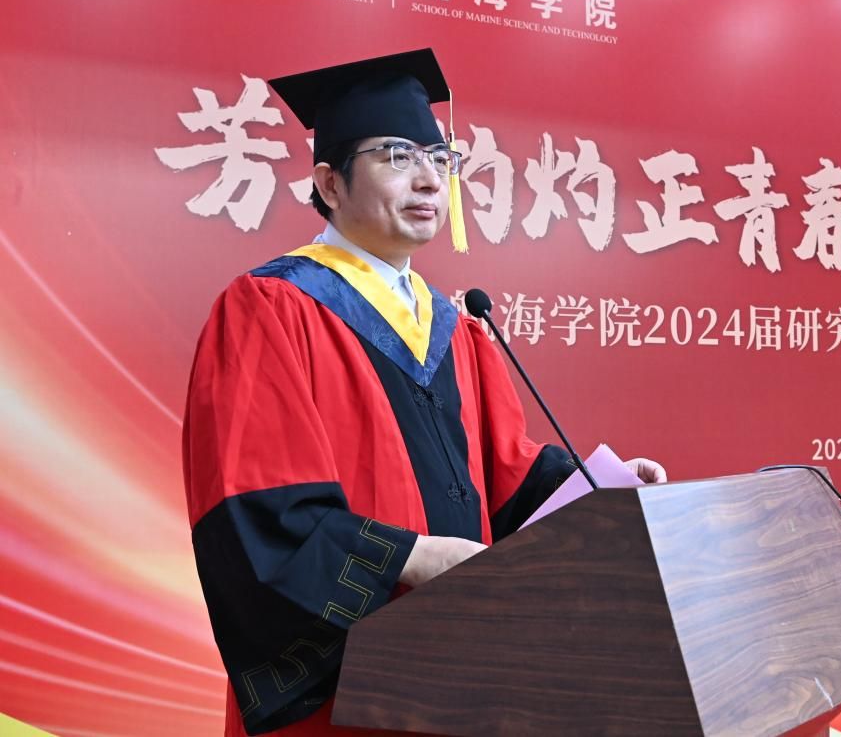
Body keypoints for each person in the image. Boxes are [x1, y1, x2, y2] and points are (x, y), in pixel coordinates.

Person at [182, 48, 666, 736]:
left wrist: (599, 488)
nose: (429, 179)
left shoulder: (454, 325)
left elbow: (506, 474)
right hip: (350, 687)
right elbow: (257, 509)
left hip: (463, 673)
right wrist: (411, 559)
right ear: (329, 182)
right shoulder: (270, 309)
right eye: (396, 156)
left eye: (441, 160)